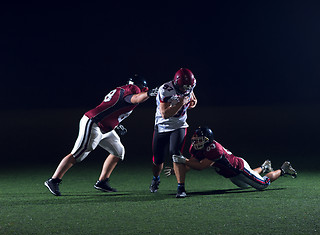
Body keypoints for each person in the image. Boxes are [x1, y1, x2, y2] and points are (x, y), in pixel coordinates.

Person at [44, 74, 158, 196]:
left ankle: (102, 181)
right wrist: (149, 93)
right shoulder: (132, 90)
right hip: (94, 123)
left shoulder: (121, 90)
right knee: (79, 154)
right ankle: (54, 180)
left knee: (118, 152)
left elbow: (111, 108)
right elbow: (135, 98)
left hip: (104, 126)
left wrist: (116, 124)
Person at [168, 126, 297, 198]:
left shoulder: (214, 150)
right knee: (246, 186)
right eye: (195, 139)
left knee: (262, 185)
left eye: (199, 140)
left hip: (239, 169)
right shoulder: (197, 148)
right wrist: (180, 169)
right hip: (231, 174)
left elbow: (201, 166)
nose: (196, 142)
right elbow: (193, 162)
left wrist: (184, 161)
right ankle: (264, 166)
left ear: (207, 140)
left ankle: (283, 169)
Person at [149, 68, 197, 197]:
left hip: (179, 125)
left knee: (176, 154)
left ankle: (181, 188)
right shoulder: (165, 90)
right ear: (176, 83)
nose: (186, 89)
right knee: (158, 159)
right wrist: (181, 103)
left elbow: (192, 100)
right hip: (162, 125)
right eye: (183, 87)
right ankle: (156, 179)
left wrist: (192, 103)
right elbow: (165, 114)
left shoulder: (189, 86)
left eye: (189, 87)